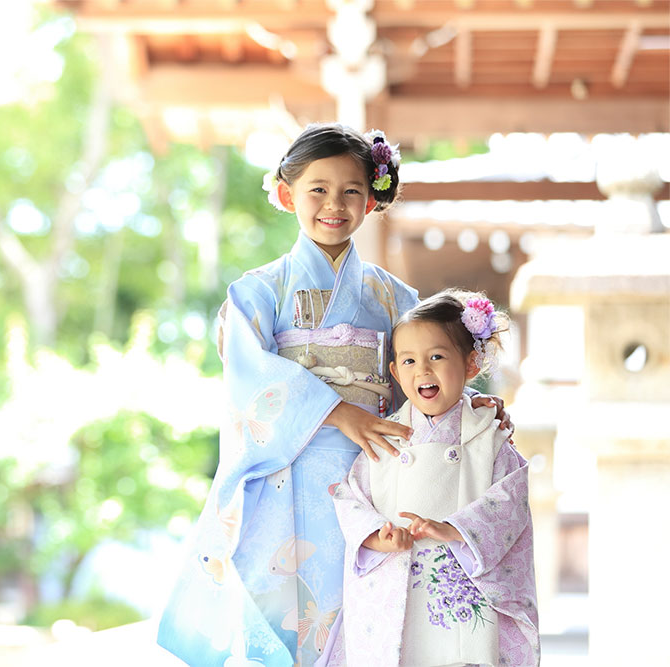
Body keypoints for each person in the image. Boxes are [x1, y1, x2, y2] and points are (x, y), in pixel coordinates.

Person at [156, 123, 510, 667]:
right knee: (285, 616)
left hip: (373, 477)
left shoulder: (397, 298)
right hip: (284, 475)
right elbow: (249, 379)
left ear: (371, 199)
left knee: (371, 617)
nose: (334, 204)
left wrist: (465, 404)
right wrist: (338, 410)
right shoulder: (257, 292)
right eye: (317, 189)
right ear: (285, 194)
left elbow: (419, 378)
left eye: (350, 190)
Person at [317, 290, 539, 667]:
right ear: (395, 373)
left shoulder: (488, 435)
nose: (422, 370)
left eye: (437, 356)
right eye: (408, 360)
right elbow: (350, 496)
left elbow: (511, 500)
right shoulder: (385, 435)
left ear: (471, 364)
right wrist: (376, 535)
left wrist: (455, 529)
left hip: (461, 584)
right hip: (396, 576)